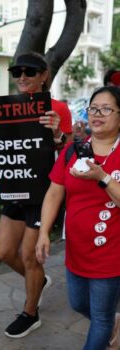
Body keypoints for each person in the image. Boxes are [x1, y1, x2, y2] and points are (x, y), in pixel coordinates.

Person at [36, 86, 120, 350]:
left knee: (101, 319)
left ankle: (107, 326)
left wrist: (103, 178)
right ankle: (113, 322)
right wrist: (42, 233)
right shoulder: (73, 151)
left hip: (111, 255)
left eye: (106, 109)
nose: (98, 114)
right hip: (76, 251)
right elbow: (53, 193)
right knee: (78, 304)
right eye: (93, 108)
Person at [0, 52, 73, 338]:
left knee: (30, 256)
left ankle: (30, 313)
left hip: (43, 191)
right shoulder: (5, 108)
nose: (22, 77)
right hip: (15, 187)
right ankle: (37, 282)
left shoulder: (59, 108)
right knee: (4, 251)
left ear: (44, 76)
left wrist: (55, 134)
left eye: (30, 71)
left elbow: (66, 152)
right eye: (17, 72)